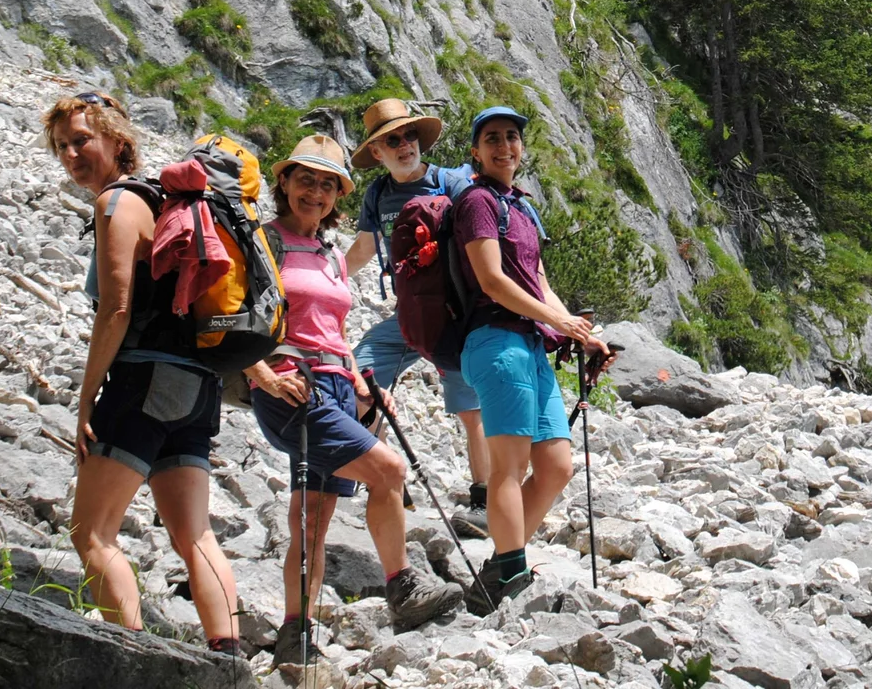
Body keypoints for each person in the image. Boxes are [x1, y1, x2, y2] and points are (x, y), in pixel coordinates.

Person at [244, 134, 463, 657]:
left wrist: (366, 387)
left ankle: (294, 636)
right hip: (292, 388)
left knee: (313, 517)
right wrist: (263, 376)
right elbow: (224, 317)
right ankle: (403, 590)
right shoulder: (261, 242)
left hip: (339, 388)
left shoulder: (330, 255)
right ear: (284, 182)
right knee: (389, 471)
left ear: (339, 195)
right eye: (305, 180)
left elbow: (333, 330)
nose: (315, 192)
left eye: (327, 184)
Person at [42, 91, 241, 654]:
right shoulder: (164, 201)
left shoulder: (116, 204)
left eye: (83, 139)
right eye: (62, 146)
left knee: (92, 534)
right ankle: (227, 661)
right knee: (195, 534)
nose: (72, 154)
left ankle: (129, 658)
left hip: (143, 381)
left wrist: (86, 397)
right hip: (198, 390)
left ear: (117, 141)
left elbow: (117, 309)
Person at [454, 106, 613, 614]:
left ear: (522, 148)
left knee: (556, 465)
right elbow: (493, 281)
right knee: (508, 467)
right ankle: (512, 574)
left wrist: (579, 332)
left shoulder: (520, 207)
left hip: (530, 345)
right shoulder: (478, 201)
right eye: (492, 139)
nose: (504, 146)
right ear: (475, 152)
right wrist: (559, 323)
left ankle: (500, 567)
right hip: (495, 342)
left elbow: (537, 280)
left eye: (512, 137)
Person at [347, 98, 497, 538]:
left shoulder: (449, 183)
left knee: (471, 412)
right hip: (409, 313)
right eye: (392, 140)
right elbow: (361, 249)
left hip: (456, 315)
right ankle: (384, 481)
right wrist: (323, 274)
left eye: (409, 135)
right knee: (361, 380)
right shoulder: (377, 195)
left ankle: (484, 499)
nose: (404, 145)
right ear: (377, 152)